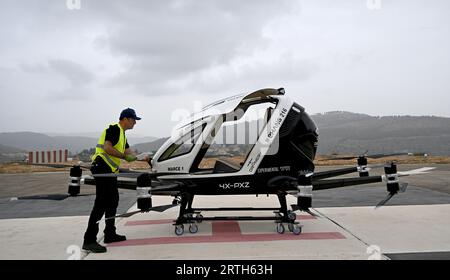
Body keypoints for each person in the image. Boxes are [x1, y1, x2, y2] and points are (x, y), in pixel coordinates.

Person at [82, 108, 149, 253]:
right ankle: (89, 240)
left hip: (109, 171)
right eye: (134, 120)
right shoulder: (114, 129)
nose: (135, 123)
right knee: (101, 203)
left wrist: (144, 158)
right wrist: (125, 157)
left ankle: (110, 233)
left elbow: (129, 153)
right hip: (101, 168)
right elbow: (107, 148)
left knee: (113, 200)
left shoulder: (123, 135)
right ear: (125, 119)